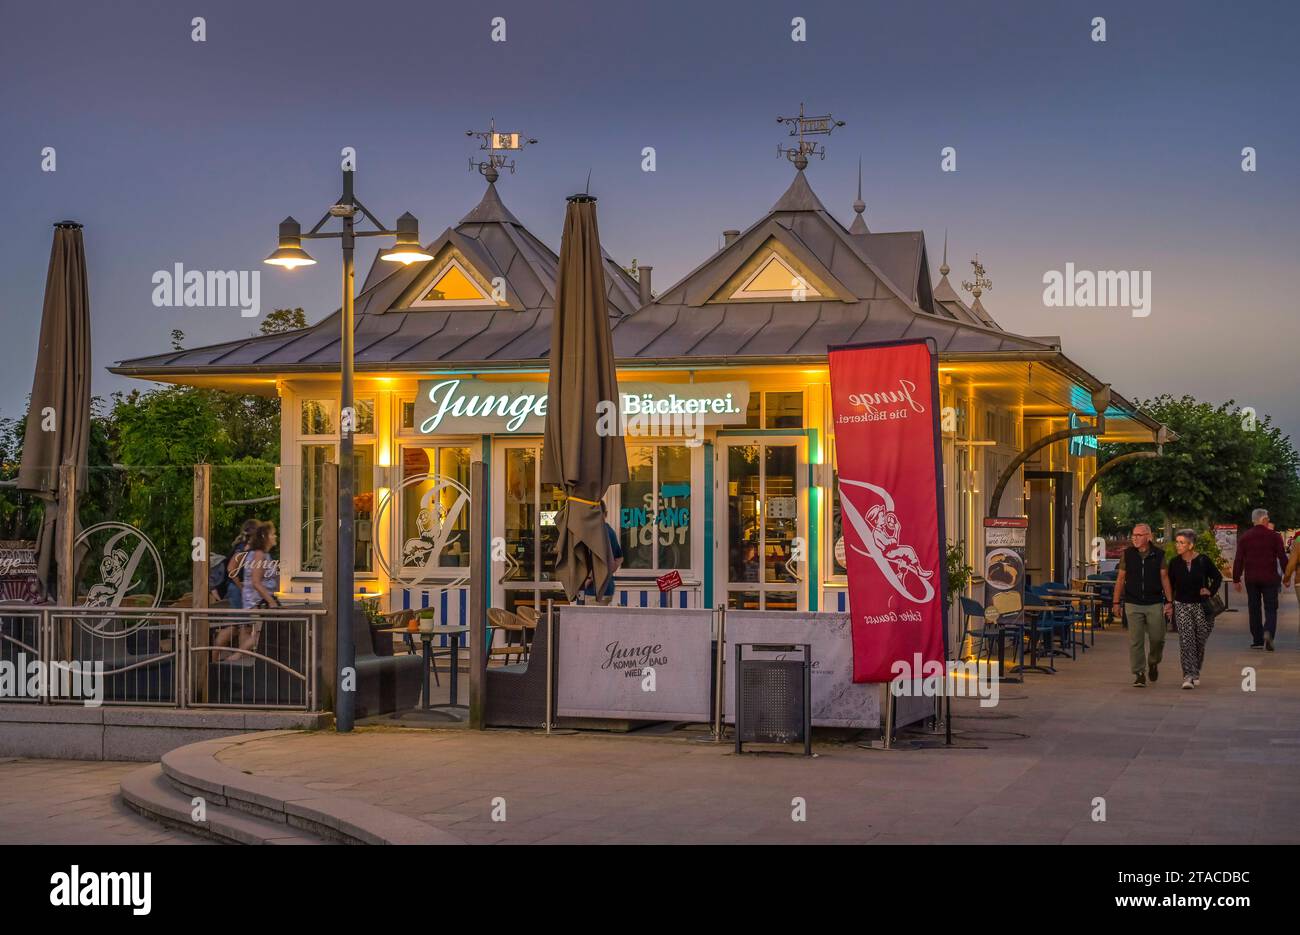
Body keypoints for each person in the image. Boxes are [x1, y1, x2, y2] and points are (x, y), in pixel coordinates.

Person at [1111, 523, 1173, 687]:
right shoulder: (1128, 555)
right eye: (1133, 535)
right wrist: (1116, 602)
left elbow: (1165, 578)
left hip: (1154, 602)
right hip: (1133, 602)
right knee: (1135, 640)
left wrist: (1169, 601)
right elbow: (1120, 579)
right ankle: (1139, 673)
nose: (1135, 538)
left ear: (1148, 537)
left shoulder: (1159, 554)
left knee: (1158, 638)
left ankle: (1153, 661)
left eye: (1139, 535)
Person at [1168, 529, 1222, 689]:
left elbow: (1217, 577)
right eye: (1177, 542)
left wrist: (1210, 590)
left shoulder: (1203, 560)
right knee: (1186, 641)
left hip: (1202, 607)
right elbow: (1169, 585)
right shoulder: (1175, 562)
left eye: (1182, 542)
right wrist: (1168, 603)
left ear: (1190, 545)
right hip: (1182, 605)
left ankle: (1196, 670)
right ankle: (1188, 676)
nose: (1178, 545)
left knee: (1199, 639)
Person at [1232, 508, 1287, 651]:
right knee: (1271, 608)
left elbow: (1239, 559)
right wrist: (1287, 576)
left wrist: (1236, 579)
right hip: (1270, 578)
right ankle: (1268, 631)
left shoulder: (1245, 537)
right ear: (1263, 520)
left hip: (1252, 578)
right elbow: (1282, 557)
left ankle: (1257, 640)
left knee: (1254, 608)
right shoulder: (1274, 536)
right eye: (1267, 518)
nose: (1269, 520)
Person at [582, 503, 623, 602]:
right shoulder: (610, 531)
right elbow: (619, 558)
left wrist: (589, 578)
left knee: (592, 617)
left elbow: (598, 558)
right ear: (606, 513)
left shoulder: (596, 533)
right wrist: (607, 573)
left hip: (595, 590)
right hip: (608, 587)